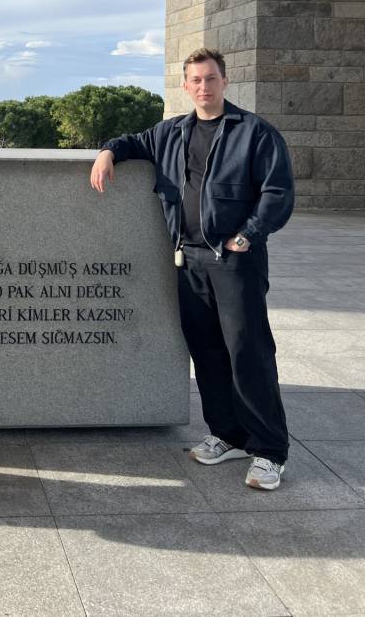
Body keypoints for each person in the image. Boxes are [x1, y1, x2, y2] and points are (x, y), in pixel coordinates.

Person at [89, 47, 293, 491]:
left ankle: (270, 451)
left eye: (211, 78)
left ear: (224, 81)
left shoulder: (254, 132)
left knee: (248, 353)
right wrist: (107, 152)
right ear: (185, 86)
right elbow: (131, 142)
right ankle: (228, 434)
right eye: (196, 80)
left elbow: (278, 192)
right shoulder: (171, 132)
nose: (204, 87)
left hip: (235, 261)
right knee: (207, 352)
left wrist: (247, 236)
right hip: (189, 260)